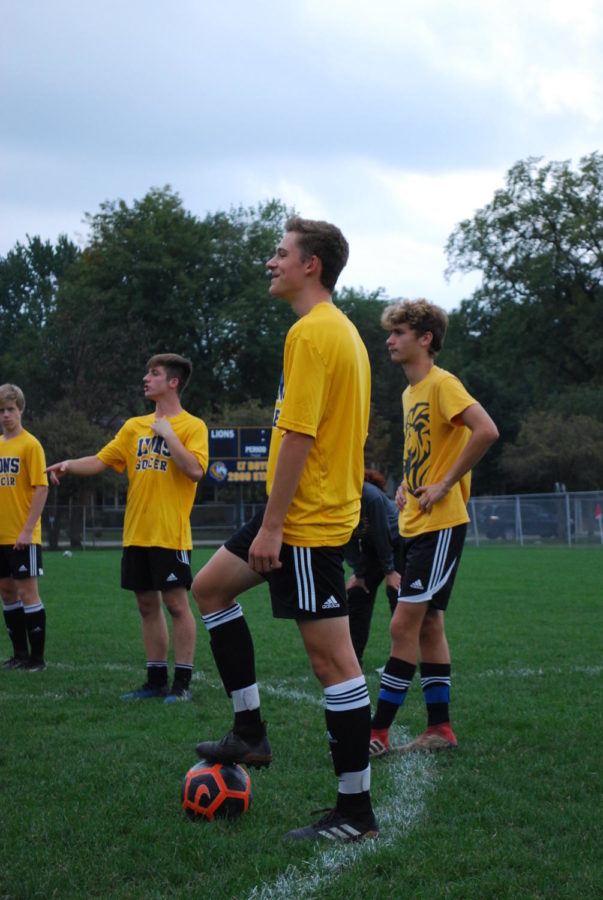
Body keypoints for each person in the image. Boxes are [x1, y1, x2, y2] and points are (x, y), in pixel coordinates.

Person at [191, 216, 378, 843]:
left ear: (311, 265)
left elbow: (299, 435)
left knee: (334, 666)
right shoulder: (340, 330)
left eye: (280, 253)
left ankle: (354, 813)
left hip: (304, 521)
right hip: (297, 510)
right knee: (211, 588)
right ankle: (250, 733)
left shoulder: (313, 332)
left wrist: (273, 527)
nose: (271, 262)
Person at [369, 300, 498, 757]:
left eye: (399, 331)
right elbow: (426, 448)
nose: (390, 339)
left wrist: (444, 484)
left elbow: (486, 430)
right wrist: (408, 481)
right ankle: (439, 729)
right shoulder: (409, 393)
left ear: (425, 339)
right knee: (428, 625)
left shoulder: (444, 384)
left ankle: (376, 733)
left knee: (403, 623)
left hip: (441, 525)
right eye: (391, 332)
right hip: (415, 520)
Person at [46, 354, 208, 702]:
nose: (146, 378)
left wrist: (168, 435)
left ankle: (181, 686)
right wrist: (71, 464)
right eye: (147, 372)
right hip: (136, 533)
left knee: (177, 605)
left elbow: (195, 471)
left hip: (170, 534)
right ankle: (155, 682)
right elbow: (103, 460)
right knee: (146, 605)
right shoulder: (134, 426)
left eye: (154, 374)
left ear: (173, 382)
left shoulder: (193, 426)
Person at [0, 384, 49, 671]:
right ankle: (19, 655)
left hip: (22, 534)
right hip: (1, 535)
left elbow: (41, 488)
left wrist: (28, 530)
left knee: (28, 592)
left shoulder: (31, 445)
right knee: (7, 591)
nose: (5, 415)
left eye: (10, 409)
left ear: (21, 410)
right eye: (1, 410)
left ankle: (37, 659)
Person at [345, 469, 401, 668]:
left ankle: (399, 661)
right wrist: (359, 573)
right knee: (358, 594)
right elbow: (345, 537)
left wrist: (389, 571)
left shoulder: (371, 497)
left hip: (397, 544)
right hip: (373, 549)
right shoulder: (337, 497)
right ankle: (352, 660)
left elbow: (381, 534)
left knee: (396, 595)